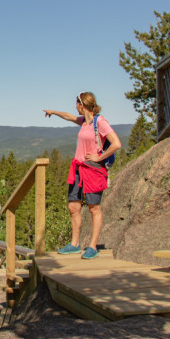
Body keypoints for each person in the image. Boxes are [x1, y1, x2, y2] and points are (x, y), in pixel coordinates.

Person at [43, 92, 122, 259]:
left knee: (94, 208)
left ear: (82, 105)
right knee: (73, 207)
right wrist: (53, 112)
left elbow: (116, 143)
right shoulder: (84, 121)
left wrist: (100, 157)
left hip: (93, 169)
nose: (75, 108)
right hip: (78, 169)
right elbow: (69, 117)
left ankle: (92, 246)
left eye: (76, 104)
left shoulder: (99, 122)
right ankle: (74, 244)